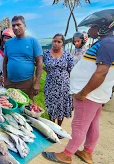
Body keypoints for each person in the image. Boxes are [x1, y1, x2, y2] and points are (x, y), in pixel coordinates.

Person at [42, 9, 114, 164]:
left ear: (104, 26)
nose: (89, 30)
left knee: (79, 125)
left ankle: (66, 155)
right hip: (95, 94)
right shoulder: (106, 42)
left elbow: (101, 73)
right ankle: (87, 152)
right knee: (92, 124)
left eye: (93, 26)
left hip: (89, 94)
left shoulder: (107, 43)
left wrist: (83, 93)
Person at [3, 16, 43, 100]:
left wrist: (37, 82)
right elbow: (5, 62)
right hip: (10, 82)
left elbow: (39, 62)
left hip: (27, 83)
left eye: (18, 24)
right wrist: (5, 79)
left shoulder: (33, 41)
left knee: (26, 107)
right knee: (10, 105)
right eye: (13, 25)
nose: (16, 27)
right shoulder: (8, 43)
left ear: (24, 25)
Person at [43, 33, 74, 130]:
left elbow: (70, 70)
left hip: (63, 85)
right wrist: (47, 70)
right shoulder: (46, 54)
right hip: (50, 84)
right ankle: (52, 128)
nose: (56, 43)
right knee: (51, 105)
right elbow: (39, 64)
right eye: (54, 41)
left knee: (61, 106)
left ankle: (58, 128)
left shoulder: (67, 55)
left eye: (59, 42)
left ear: (62, 43)